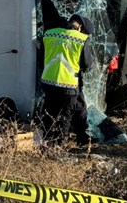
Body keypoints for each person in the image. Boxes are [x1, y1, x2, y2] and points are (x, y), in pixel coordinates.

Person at [40, 13, 95, 146]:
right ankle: (58, 149)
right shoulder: (81, 39)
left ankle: (46, 145)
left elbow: (42, 56)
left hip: (48, 83)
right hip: (68, 85)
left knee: (49, 116)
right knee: (64, 119)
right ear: (80, 28)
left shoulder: (49, 34)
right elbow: (87, 63)